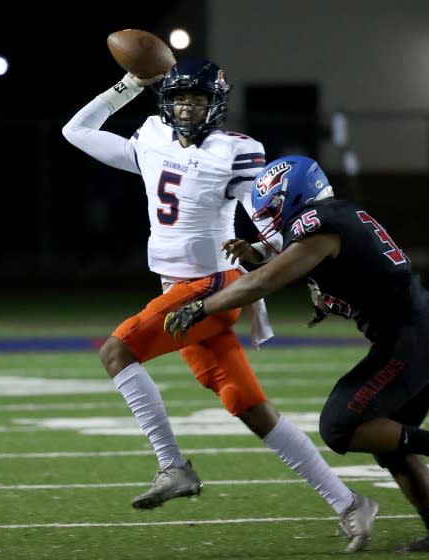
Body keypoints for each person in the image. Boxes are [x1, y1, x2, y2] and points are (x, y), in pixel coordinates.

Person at [62, 59, 378, 553]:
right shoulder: (151, 138)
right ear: (166, 101)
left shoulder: (235, 152)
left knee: (116, 352)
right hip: (177, 286)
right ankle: (349, 503)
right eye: (180, 97)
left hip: (212, 285)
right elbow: (75, 129)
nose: (188, 106)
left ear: (216, 104)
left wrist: (287, 261)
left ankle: (174, 467)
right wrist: (128, 84)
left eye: (199, 98)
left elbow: (271, 218)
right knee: (249, 407)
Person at [164, 154, 429, 553]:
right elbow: (297, 257)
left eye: (274, 207)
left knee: (339, 426)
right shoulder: (337, 215)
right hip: (426, 332)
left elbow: (265, 282)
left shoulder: (319, 226)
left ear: (293, 196)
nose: (271, 218)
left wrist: (201, 308)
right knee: (389, 444)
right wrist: (259, 254)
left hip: (412, 339)